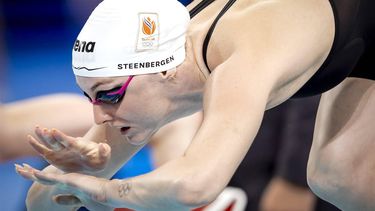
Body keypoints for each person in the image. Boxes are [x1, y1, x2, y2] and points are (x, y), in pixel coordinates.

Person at [15, 0, 374, 210]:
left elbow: (196, 185)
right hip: (352, 37)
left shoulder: (235, 66)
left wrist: (106, 191)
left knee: (336, 175)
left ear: (166, 71)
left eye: (108, 94)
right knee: (339, 179)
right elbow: (40, 203)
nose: (98, 115)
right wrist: (76, 172)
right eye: (90, 96)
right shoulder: (140, 83)